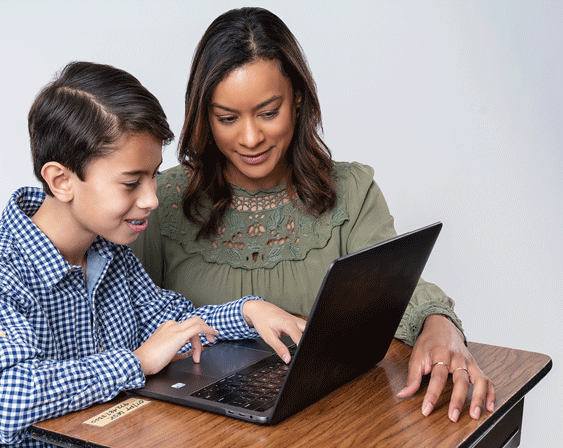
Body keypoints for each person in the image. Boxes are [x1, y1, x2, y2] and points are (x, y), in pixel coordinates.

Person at [130, 7, 495, 423]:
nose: (250, 138)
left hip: (329, 418)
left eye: (269, 112)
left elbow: (394, 292)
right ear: (204, 115)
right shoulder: (158, 198)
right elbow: (122, 317)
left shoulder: (352, 193)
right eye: (227, 118)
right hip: (190, 428)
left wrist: (439, 324)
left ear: (298, 99)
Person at [0, 61, 304, 447]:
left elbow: (173, 328)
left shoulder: (110, 251)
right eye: (131, 183)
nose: (150, 199)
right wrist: (137, 363)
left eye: (153, 176)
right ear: (61, 180)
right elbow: (8, 399)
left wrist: (249, 311)